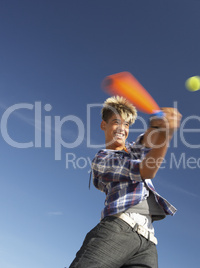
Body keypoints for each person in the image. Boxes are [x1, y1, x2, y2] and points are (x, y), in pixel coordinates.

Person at [69, 96, 182, 268]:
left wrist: (157, 126)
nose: (122, 128)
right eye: (116, 122)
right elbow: (146, 169)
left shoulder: (130, 151)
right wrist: (166, 134)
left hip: (148, 242)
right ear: (103, 125)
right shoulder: (103, 159)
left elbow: (148, 141)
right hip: (118, 228)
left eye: (127, 124)